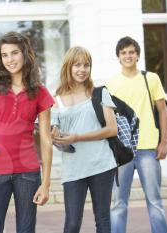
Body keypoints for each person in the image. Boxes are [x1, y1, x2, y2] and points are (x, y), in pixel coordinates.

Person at [0, 31, 54, 233]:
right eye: (5, 55)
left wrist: (45, 183)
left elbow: (45, 140)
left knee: (26, 230)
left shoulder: (40, 92)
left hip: (28, 171)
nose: (10, 59)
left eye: (14, 53)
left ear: (25, 54)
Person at [51, 46, 118, 233]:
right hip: (73, 168)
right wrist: (54, 136)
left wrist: (77, 137)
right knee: (72, 224)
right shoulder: (56, 98)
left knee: (103, 220)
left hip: (101, 164)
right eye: (77, 65)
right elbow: (53, 132)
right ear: (68, 67)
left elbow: (112, 129)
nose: (82, 69)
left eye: (86, 65)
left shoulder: (99, 93)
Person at [107, 36, 167, 233]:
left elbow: (163, 110)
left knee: (155, 201)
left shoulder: (150, 78)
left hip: (148, 148)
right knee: (118, 203)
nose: (128, 55)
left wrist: (164, 142)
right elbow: (109, 119)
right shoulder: (111, 84)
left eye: (131, 52)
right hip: (122, 152)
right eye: (123, 52)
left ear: (138, 55)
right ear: (118, 57)